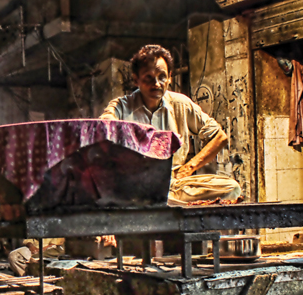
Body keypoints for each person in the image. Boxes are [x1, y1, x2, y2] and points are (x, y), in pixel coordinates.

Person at [100, 44, 241, 205]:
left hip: (174, 185)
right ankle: (170, 207)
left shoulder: (181, 104)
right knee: (138, 198)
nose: (157, 83)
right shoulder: (121, 106)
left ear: (170, 77)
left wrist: (189, 167)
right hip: (136, 186)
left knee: (231, 188)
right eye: (148, 77)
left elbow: (219, 137)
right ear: (135, 79)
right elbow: (104, 127)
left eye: (162, 76)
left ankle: (169, 205)